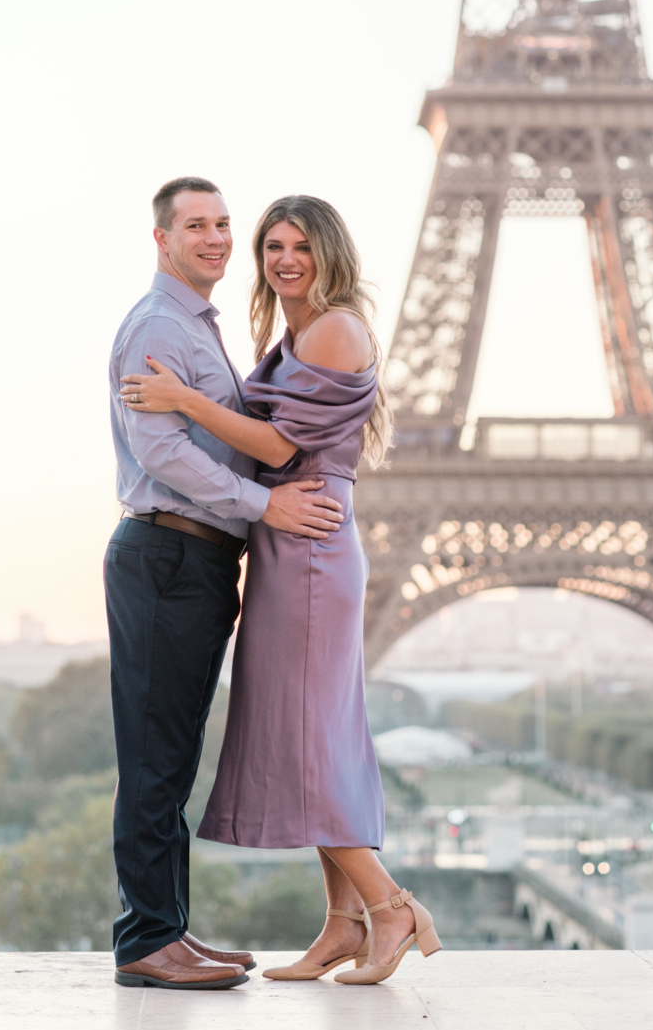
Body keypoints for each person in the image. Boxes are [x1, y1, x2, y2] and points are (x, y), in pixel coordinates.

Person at [120, 194, 441, 985]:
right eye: (273, 246)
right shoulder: (291, 333)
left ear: (330, 251)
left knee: (306, 737)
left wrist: (187, 401)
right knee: (317, 733)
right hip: (288, 545)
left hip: (308, 551)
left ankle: (389, 905)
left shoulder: (330, 328)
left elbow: (275, 442)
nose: (283, 259)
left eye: (298, 244)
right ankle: (341, 925)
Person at [106, 176, 344, 991]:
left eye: (220, 224)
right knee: (152, 758)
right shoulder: (157, 328)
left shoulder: (198, 330)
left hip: (195, 560)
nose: (212, 238)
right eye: (193, 226)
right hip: (168, 555)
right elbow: (162, 453)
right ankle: (145, 939)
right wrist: (261, 507)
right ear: (162, 239)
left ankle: (168, 930)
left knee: (170, 758)